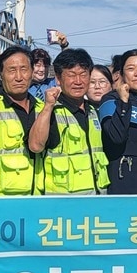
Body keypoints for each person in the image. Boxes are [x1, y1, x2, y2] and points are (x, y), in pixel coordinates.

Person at [34, 47, 109, 195]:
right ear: (58, 78)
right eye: (71, 75)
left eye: (83, 74)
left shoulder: (94, 112)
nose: (78, 81)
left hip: (95, 204)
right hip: (61, 207)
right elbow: (36, 146)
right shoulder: (49, 112)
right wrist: (49, 106)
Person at [0, 47, 44, 196]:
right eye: (11, 70)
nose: (19, 77)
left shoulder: (44, 109)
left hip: (38, 202)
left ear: (32, 72)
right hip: (0, 202)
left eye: (24, 69)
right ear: (1, 75)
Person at [99, 48, 137, 195]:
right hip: (125, 178)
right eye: (131, 69)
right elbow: (116, 137)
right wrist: (124, 102)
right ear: (121, 74)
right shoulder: (111, 100)